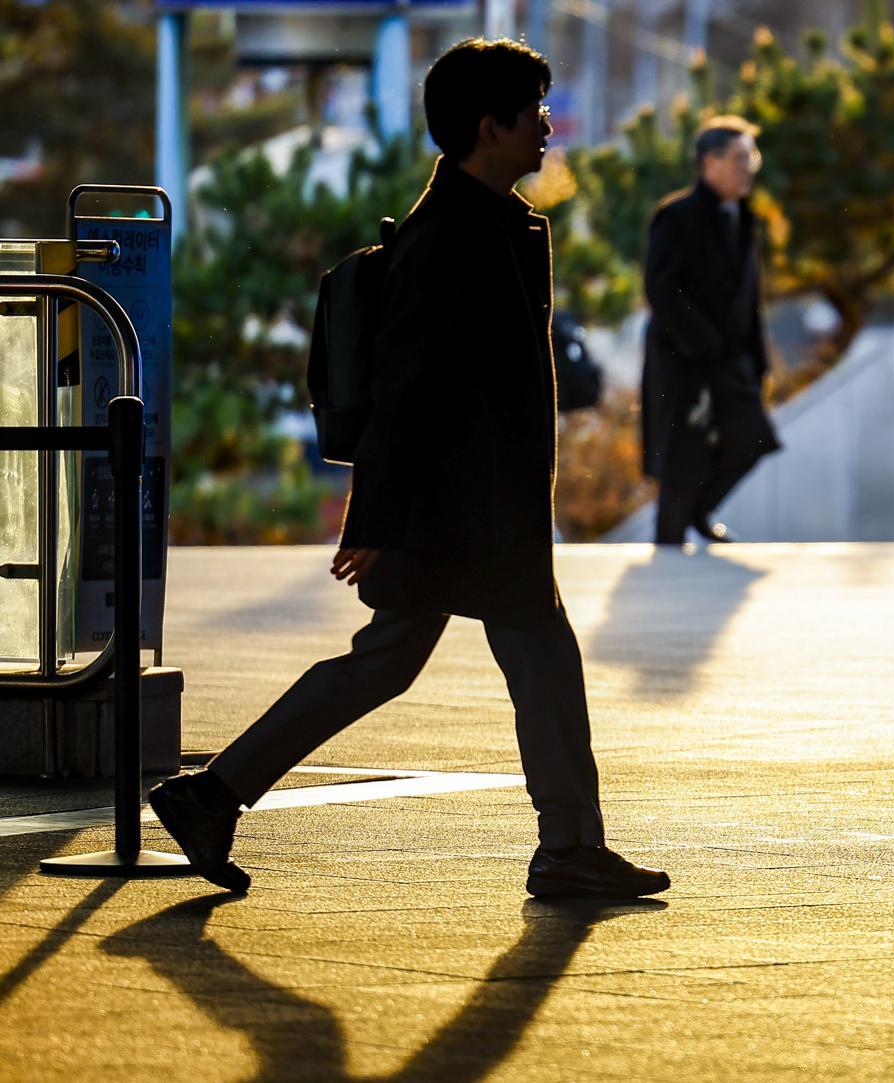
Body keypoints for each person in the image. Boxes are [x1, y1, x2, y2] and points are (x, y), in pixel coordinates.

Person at [148, 39, 669, 900]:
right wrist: (376, 520)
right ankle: (568, 845)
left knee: (393, 660)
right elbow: (407, 394)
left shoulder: (493, 223)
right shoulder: (447, 240)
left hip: (476, 506)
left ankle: (212, 793)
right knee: (525, 654)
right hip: (459, 508)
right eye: (532, 111)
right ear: (487, 127)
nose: (547, 125)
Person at [641, 115, 781, 546]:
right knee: (683, 458)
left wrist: (759, 363)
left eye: (751, 158)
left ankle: (701, 510)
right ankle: (668, 545)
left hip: (731, 359)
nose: (748, 168)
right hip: (682, 358)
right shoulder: (676, 215)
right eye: (739, 158)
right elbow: (661, 288)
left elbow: (750, 297)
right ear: (709, 162)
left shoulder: (744, 217)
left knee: (751, 439)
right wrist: (702, 342)